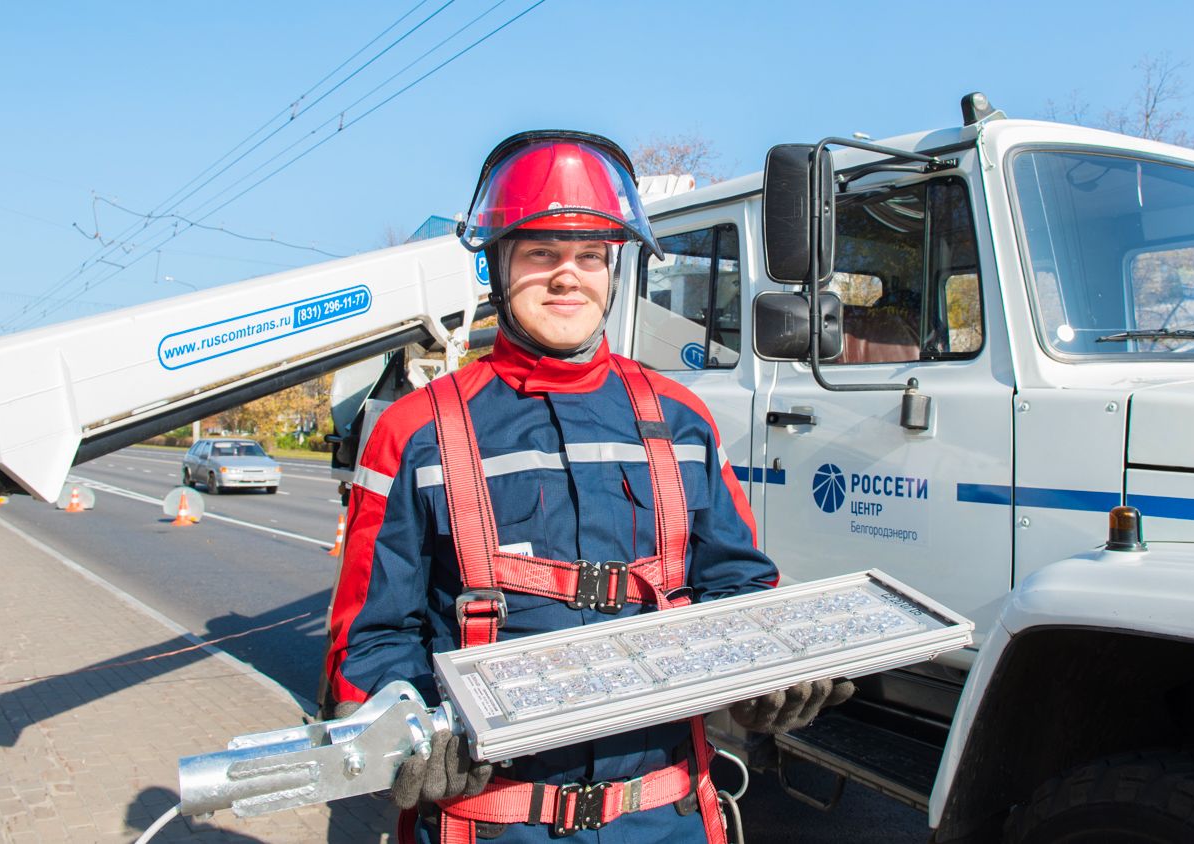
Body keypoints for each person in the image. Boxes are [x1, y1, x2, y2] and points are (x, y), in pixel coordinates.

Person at [324, 130, 852, 843]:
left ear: (613, 271)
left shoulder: (681, 421)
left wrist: (764, 674)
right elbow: (370, 640)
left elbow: (737, 586)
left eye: (590, 256)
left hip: (667, 819)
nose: (567, 276)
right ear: (495, 265)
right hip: (491, 824)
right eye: (541, 252)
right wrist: (407, 722)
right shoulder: (415, 434)